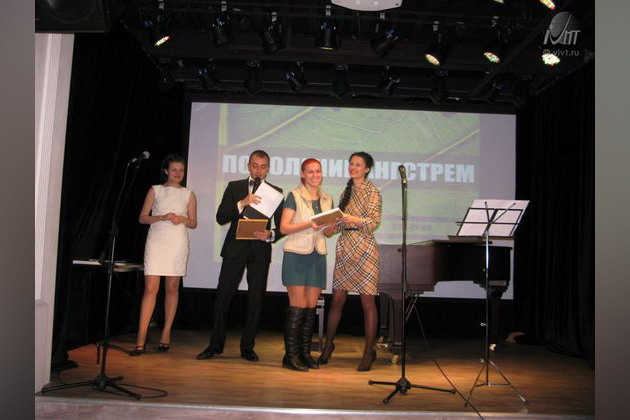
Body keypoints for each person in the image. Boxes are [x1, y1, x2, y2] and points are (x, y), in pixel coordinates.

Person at [197, 150, 284, 362]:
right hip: (235, 249)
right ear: (248, 166)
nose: (258, 170)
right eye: (255, 166)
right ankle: (215, 345)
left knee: (256, 300)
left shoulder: (276, 192)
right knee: (223, 296)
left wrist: (271, 234)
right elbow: (220, 217)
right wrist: (242, 203)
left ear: (268, 169)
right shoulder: (234, 187)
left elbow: (282, 225)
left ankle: (247, 347)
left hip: (260, 250)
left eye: (263, 167)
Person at [318, 151, 382, 371]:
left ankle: (368, 352)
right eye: (351, 164)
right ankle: (328, 346)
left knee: (367, 302)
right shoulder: (346, 191)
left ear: (367, 169)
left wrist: (351, 219)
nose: (353, 167)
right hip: (345, 246)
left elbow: (373, 223)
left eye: (358, 165)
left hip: (365, 248)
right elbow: (340, 222)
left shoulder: (373, 191)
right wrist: (330, 228)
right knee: (337, 300)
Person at [130, 154, 198, 356]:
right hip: (157, 241)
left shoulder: (188, 194)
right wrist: (162, 217)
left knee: (171, 288)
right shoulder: (155, 190)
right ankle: (141, 338)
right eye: (174, 170)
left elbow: (194, 223)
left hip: (177, 243)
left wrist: (182, 219)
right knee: (151, 288)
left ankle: (166, 333)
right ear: (166, 171)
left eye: (181, 170)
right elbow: (142, 218)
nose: (178, 173)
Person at [279, 159, 335, 371]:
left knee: (311, 308)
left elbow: (326, 232)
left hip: (317, 255)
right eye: (310, 172)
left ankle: (304, 354)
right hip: (296, 254)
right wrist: (309, 224)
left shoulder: (327, 198)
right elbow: (284, 227)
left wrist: (331, 227)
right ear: (302, 174)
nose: (315, 175)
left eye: (318, 171)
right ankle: (290, 356)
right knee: (298, 306)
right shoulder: (293, 195)